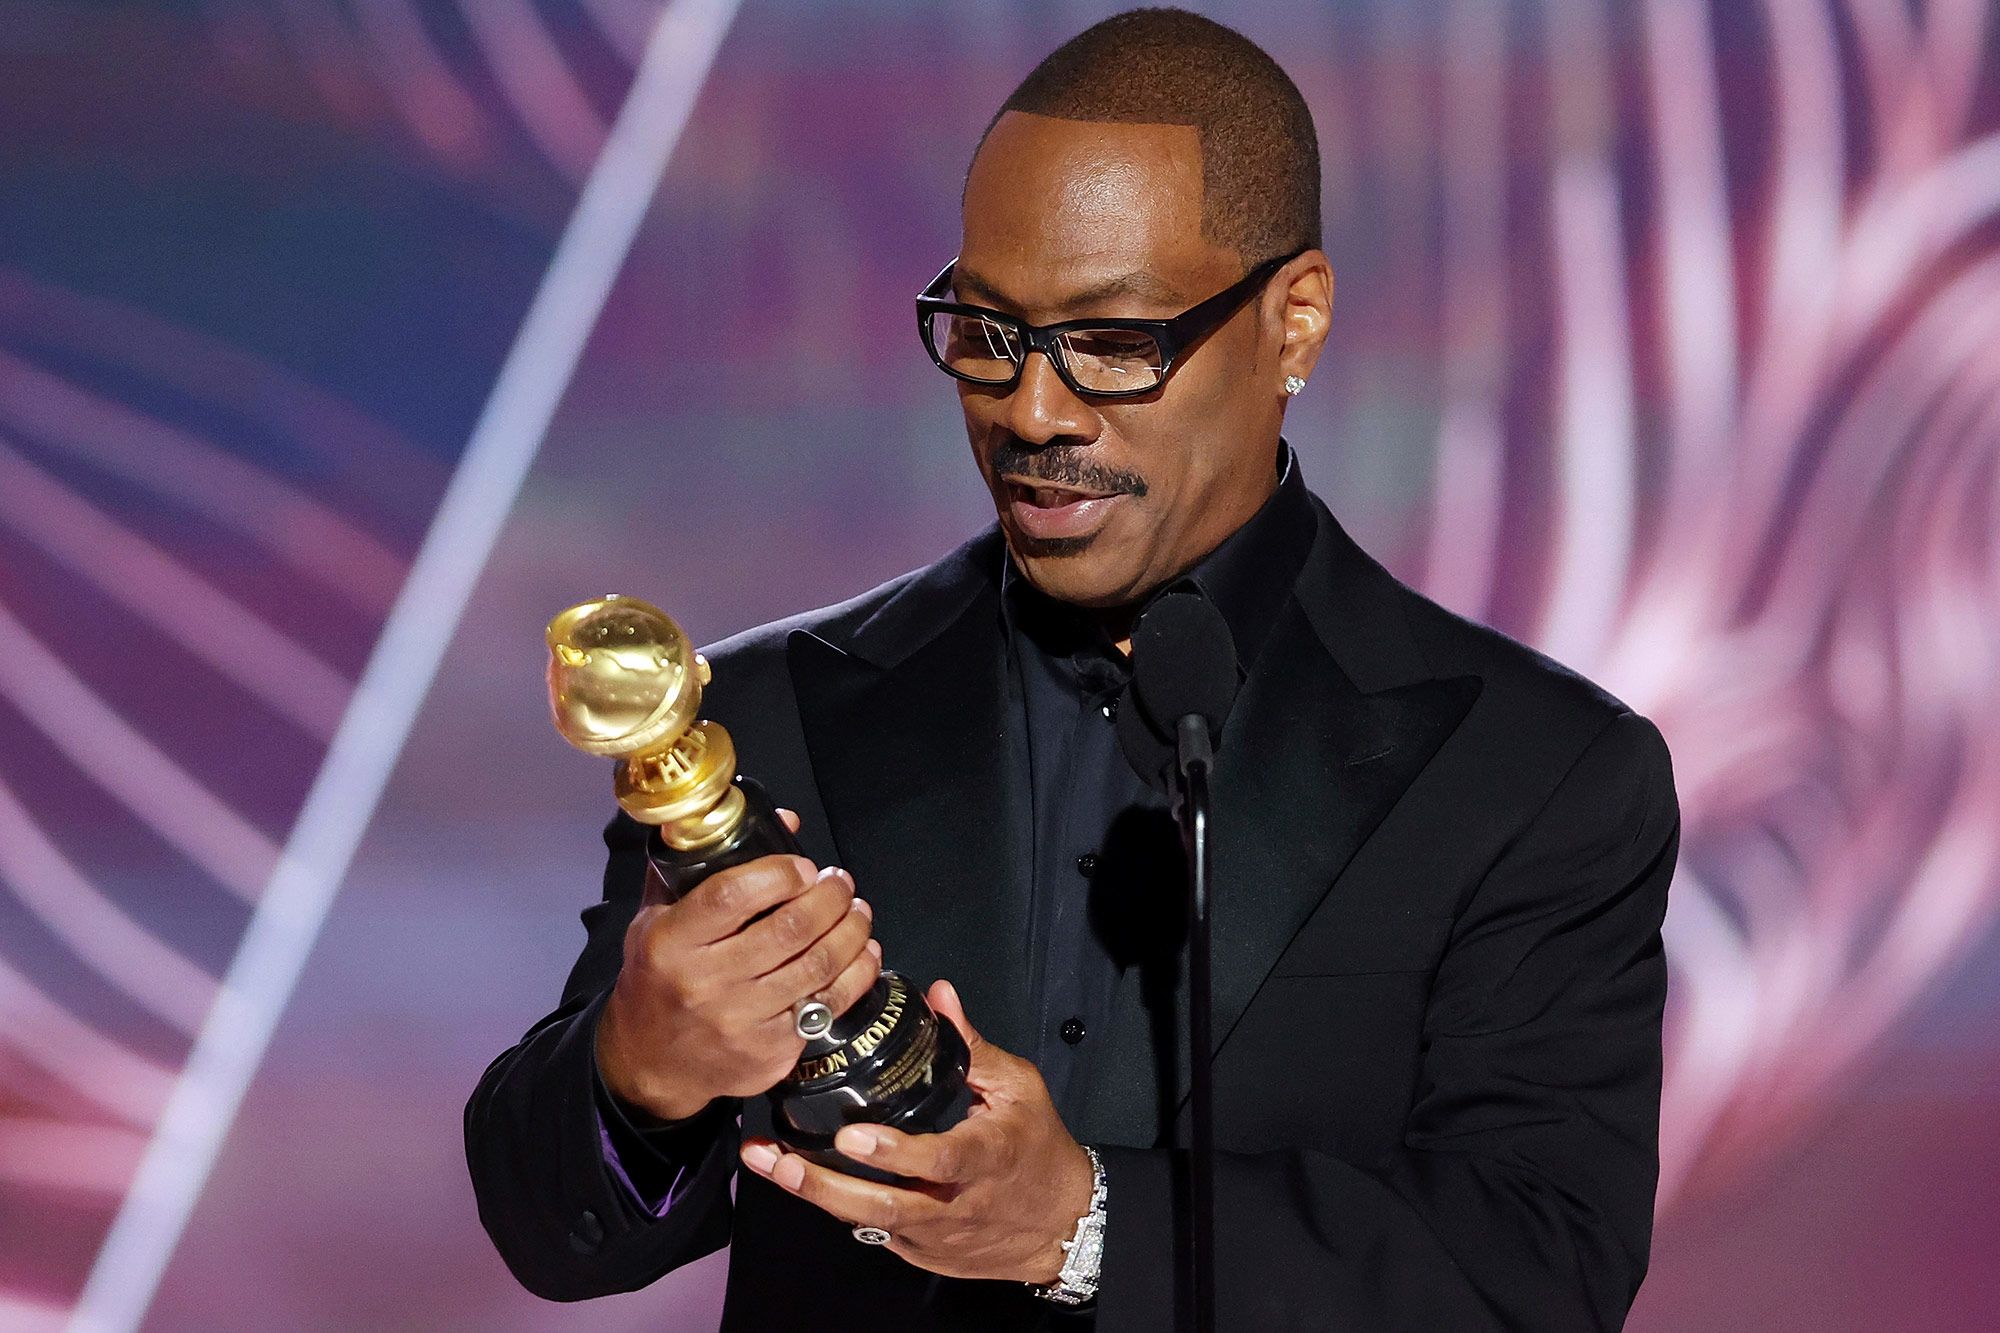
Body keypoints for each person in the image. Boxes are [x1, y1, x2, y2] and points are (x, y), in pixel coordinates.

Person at [465, 8, 1679, 1330]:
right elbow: (553, 1230)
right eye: (985, 331)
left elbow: (1535, 1278)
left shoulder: (1536, 774)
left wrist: (1085, 1224)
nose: (1033, 410)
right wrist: (640, 1070)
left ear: (1296, 322)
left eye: (1111, 343)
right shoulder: (771, 710)